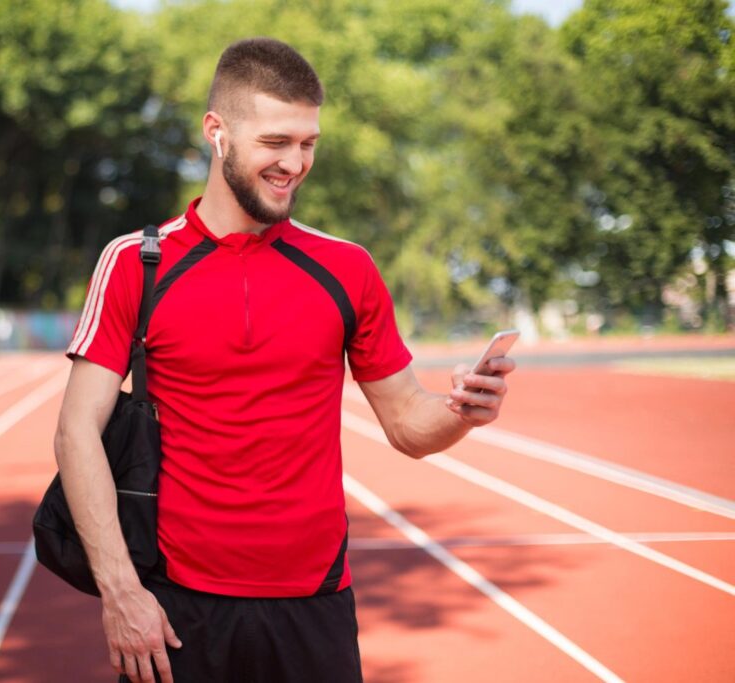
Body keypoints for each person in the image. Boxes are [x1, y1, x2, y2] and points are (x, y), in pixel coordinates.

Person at [54, 37, 516, 683]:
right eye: (276, 142)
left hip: (316, 608)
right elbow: (77, 431)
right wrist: (121, 592)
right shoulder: (135, 262)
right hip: (178, 609)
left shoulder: (347, 268)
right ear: (217, 132)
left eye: (309, 144)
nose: (295, 163)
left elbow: (409, 422)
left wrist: (463, 411)